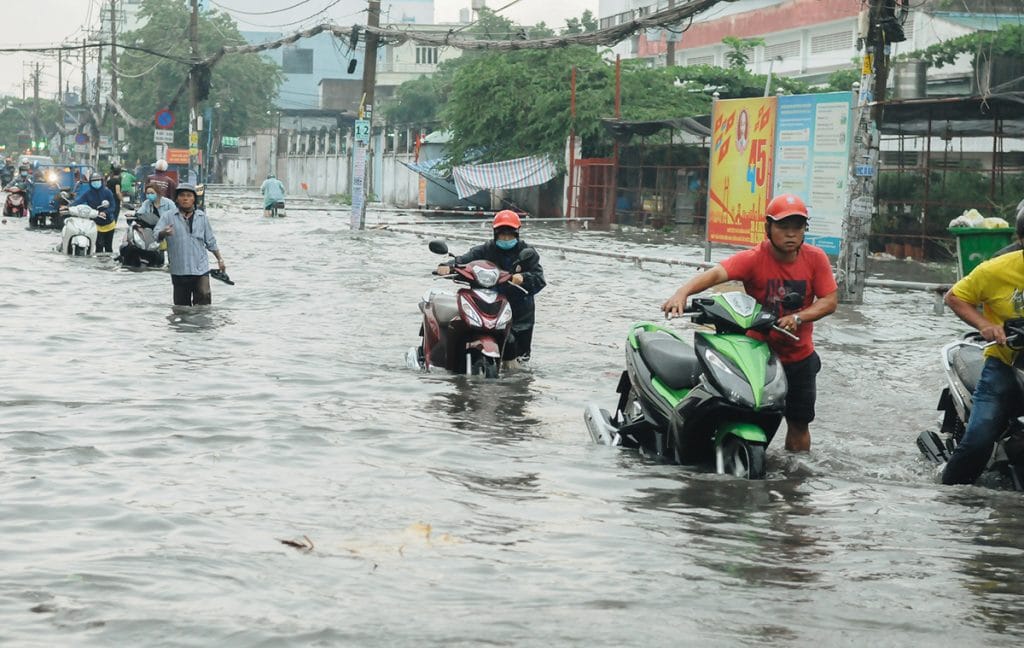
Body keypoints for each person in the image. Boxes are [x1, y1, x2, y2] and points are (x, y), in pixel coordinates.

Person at [662, 193, 838, 452]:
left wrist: (798, 317)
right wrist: (682, 292)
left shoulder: (816, 258)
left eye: (798, 226)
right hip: (757, 355)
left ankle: (794, 472)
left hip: (799, 356)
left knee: (799, 424)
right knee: (743, 412)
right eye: (783, 226)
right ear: (768, 228)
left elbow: (829, 300)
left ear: (805, 230)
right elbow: (717, 274)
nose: (791, 233)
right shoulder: (754, 258)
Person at [940, 202, 1024, 485]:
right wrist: (985, 325)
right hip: (1005, 364)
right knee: (979, 438)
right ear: (1021, 241)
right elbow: (954, 297)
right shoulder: (996, 269)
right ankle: (948, 495)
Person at [436, 210, 546, 361]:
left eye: (509, 235)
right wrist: (448, 266)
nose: (506, 238)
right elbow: (463, 261)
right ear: (495, 234)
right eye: (502, 234)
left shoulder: (527, 253)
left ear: (517, 234)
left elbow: (539, 279)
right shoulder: (485, 249)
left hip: (518, 310)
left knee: (519, 358)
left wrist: (523, 278)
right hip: (486, 303)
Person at [153, 183, 226, 306]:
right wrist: (163, 233)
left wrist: (220, 259)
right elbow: (155, 235)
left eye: (189, 196)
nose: (185, 198)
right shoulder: (168, 217)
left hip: (200, 268)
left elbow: (210, 241)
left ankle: (201, 319)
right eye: (182, 195)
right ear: (177, 199)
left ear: (194, 199)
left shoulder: (202, 217)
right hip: (179, 269)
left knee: (204, 297)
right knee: (182, 307)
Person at [70, 172, 117, 252]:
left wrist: (105, 212)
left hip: (109, 223)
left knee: (108, 247)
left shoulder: (108, 192)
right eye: (93, 181)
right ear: (90, 183)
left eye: (98, 180)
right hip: (96, 224)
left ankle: (109, 260)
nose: (96, 182)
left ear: (101, 181)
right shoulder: (88, 194)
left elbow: (113, 206)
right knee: (99, 246)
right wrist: (68, 207)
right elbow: (78, 201)